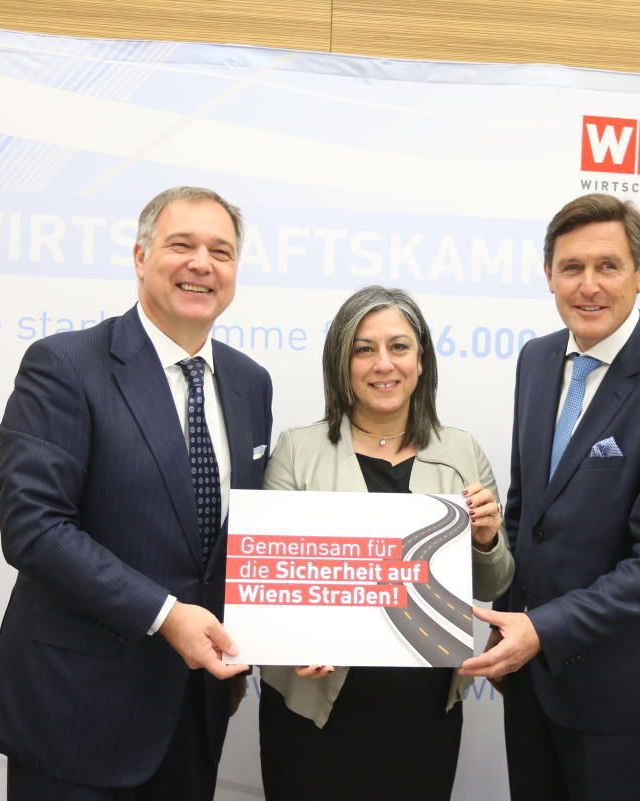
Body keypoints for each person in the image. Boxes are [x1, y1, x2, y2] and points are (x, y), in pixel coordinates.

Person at [0, 186, 273, 801]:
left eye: (221, 251)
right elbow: (34, 526)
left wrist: (292, 634)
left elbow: (239, 540)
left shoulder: (251, 383)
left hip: (196, 707)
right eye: (181, 245)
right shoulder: (65, 364)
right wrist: (164, 614)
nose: (202, 264)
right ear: (141, 257)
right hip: (76, 710)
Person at [460, 194, 640, 801]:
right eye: (571, 267)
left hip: (617, 694)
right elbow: (528, 511)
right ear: (548, 274)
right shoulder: (536, 360)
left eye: (608, 266)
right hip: (528, 676)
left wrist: (542, 628)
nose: (589, 285)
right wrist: (508, 621)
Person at [258, 285, 514, 801]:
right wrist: (292, 642)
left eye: (399, 347)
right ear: (342, 362)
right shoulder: (297, 450)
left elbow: (493, 583)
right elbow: (270, 586)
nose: (383, 364)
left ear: (421, 361)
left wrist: (486, 539)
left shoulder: (461, 450)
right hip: (315, 712)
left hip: (423, 715)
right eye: (364, 349)